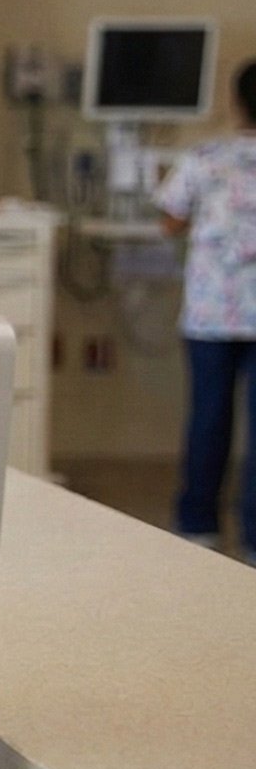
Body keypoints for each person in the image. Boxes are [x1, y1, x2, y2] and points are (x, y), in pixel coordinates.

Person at [155, 60, 256, 553]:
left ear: (236, 103)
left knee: (209, 418)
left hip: (211, 313)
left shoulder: (204, 157)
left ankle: (198, 524)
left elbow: (170, 221)